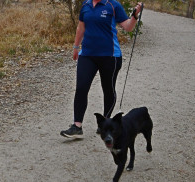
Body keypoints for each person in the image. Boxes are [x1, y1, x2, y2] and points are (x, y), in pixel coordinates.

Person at [60, 0, 143, 138]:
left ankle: (105, 122)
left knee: (108, 89)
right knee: (81, 87)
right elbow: (81, 27)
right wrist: (76, 47)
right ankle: (77, 126)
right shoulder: (86, 5)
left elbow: (127, 27)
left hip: (110, 56)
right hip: (87, 55)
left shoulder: (113, 5)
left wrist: (135, 15)